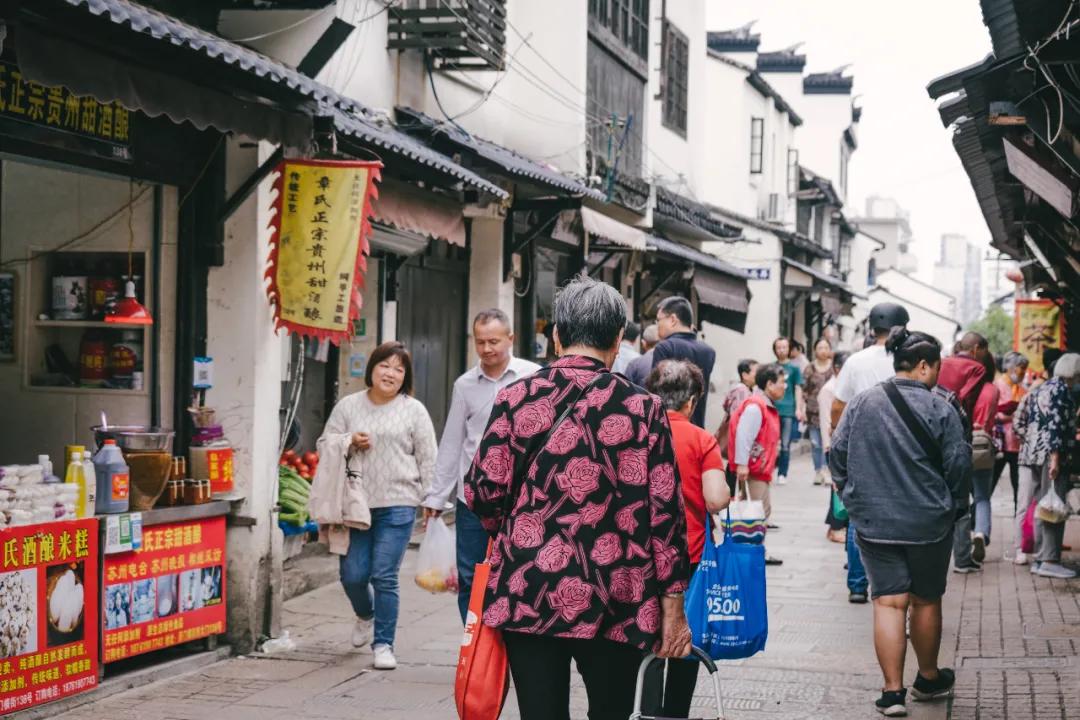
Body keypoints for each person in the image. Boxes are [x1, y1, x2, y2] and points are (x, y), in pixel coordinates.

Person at [465, 275, 692, 720]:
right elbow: (664, 515)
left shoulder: (516, 397)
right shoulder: (643, 408)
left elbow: (483, 490)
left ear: (556, 335)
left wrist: (511, 527)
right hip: (619, 592)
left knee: (541, 712)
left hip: (531, 585)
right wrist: (674, 609)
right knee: (611, 711)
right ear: (618, 339)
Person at [830, 328, 970, 717]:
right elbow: (958, 466)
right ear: (925, 366)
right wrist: (954, 505)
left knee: (889, 603)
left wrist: (852, 495)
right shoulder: (942, 407)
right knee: (925, 600)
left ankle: (892, 693)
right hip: (929, 523)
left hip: (874, 522)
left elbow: (837, 456)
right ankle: (927, 677)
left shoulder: (861, 403)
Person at [319, 341, 438, 670]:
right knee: (353, 575)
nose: (391, 373)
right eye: (385, 365)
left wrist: (432, 501)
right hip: (355, 504)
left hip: (399, 502)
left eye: (399, 369)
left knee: (384, 575)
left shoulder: (414, 410)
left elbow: (428, 459)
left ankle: (384, 644)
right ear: (372, 368)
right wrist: (349, 441)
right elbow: (324, 443)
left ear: (405, 377)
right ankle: (365, 614)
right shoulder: (348, 406)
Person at [421, 310, 541, 623]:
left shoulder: (534, 376)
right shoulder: (465, 385)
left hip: (520, 498)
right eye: (480, 342)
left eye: (494, 341)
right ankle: (473, 649)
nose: (487, 349)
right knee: (470, 576)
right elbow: (452, 442)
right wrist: (436, 497)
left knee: (517, 576)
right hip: (471, 499)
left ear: (510, 339)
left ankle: (506, 653)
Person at [642, 360, 731, 718]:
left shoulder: (639, 431)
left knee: (644, 637)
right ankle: (674, 713)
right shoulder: (701, 438)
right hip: (689, 556)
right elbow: (715, 498)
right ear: (691, 401)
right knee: (684, 638)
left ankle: (644, 711)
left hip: (642, 554)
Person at [1012, 353, 1080, 577]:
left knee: (1043, 504)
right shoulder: (1061, 391)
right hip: (1049, 455)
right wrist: (1055, 459)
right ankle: (1049, 558)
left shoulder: (1043, 387)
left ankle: (1041, 558)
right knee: (1054, 504)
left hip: (1032, 453)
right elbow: (1055, 428)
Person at [937, 332, 993, 573]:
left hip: (932, 430)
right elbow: (966, 399)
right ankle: (961, 557)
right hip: (958, 434)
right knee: (961, 497)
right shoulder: (977, 368)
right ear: (977, 348)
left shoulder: (944, 362)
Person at [728, 362, 788, 566]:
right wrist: (742, 464)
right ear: (770, 384)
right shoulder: (756, 406)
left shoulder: (763, 404)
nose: (785, 386)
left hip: (758, 469)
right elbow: (744, 435)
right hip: (754, 470)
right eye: (782, 382)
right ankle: (752, 551)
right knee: (756, 512)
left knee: (759, 510)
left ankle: (752, 549)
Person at [652, 296, 716, 428]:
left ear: (673, 319)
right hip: (697, 426)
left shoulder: (665, 347)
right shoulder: (708, 351)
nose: (657, 325)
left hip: (668, 429)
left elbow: (656, 394)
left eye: (658, 320)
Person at [993, 352, 1029, 512]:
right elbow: (992, 413)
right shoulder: (997, 386)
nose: (1024, 373)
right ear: (1011, 368)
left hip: (1017, 445)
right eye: (1022, 369)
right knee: (989, 485)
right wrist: (1007, 415)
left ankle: (1019, 524)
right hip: (999, 444)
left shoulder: (1023, 390)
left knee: (1018, 488)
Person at [821, 350, 850, 544]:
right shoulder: (829, 389)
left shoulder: (842, 387)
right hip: (833, 446)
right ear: (837, 368)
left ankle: (836, 525)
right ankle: (835, 527)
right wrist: (829, 446)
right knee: (837, 486)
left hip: (842, 444)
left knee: (840, 485)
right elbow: (825, 421)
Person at [717, 358, 759, 493]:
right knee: (734, 466)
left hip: (736, 435)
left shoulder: (746, 389)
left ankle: (730, 497)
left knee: (733, 465)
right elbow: (738, 417)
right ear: (745, 375)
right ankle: (730, 499)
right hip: (737, 436)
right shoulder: (741, 391)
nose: (758, 375)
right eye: (755, 372)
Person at [770, 337, 805, 485]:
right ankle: (769, 471)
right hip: (772, 409)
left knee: (785, 444)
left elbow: (798, 388)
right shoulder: (771, 368)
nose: (782, 350)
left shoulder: (795, 369)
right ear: (775, 349)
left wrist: (798, 408)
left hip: (788, 410)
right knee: (770, 443)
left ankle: (782, 473)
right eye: (779, 347)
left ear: (789, 349)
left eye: (784, 347)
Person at [804, 337, 834, 486]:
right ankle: (817, 470)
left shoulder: (833, 368)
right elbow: (804, 389)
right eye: (820, 347)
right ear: (815, 350)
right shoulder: (810, 368)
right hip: (813, 412)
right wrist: (802, 408)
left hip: (829, 411)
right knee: (816, 443)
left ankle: (826, 470)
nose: (823, 350)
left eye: (825, 347)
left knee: (827, 442)